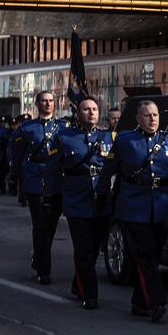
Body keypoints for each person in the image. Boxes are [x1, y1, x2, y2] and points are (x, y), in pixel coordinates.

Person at [96, 100, 168, 322]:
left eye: (155, 115)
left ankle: (139, 302)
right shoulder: (124, 140)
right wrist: (101, 196)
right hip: (134, 205)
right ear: (138, 119)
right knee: (145, 254)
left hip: (161, 205)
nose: (152, 119)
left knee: (153, 256)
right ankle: (156, 301)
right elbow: (108, 170)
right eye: (147, 115)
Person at [58, 97, 115, 309]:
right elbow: (54, 170)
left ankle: (77, 282)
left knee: (93, 247)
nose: (91, 113)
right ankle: (89, 295)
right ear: (77, 113)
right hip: (77, 200)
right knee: (83, 249)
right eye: (86, 109)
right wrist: (51, 198)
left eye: (94, 109)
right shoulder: (65, 137)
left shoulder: (109, 137)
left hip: (101, 200)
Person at [10, 91, 63, 283]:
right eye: (44, 101)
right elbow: (17, 155)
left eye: (51, 101)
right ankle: (43, 270)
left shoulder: (62, 127)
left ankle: (39, 255)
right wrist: (16, 179)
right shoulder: (27, 128)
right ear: (37, 104)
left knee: (51, 225)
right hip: (35, 180)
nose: (48, 104)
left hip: (56, 180)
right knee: (40, 224)